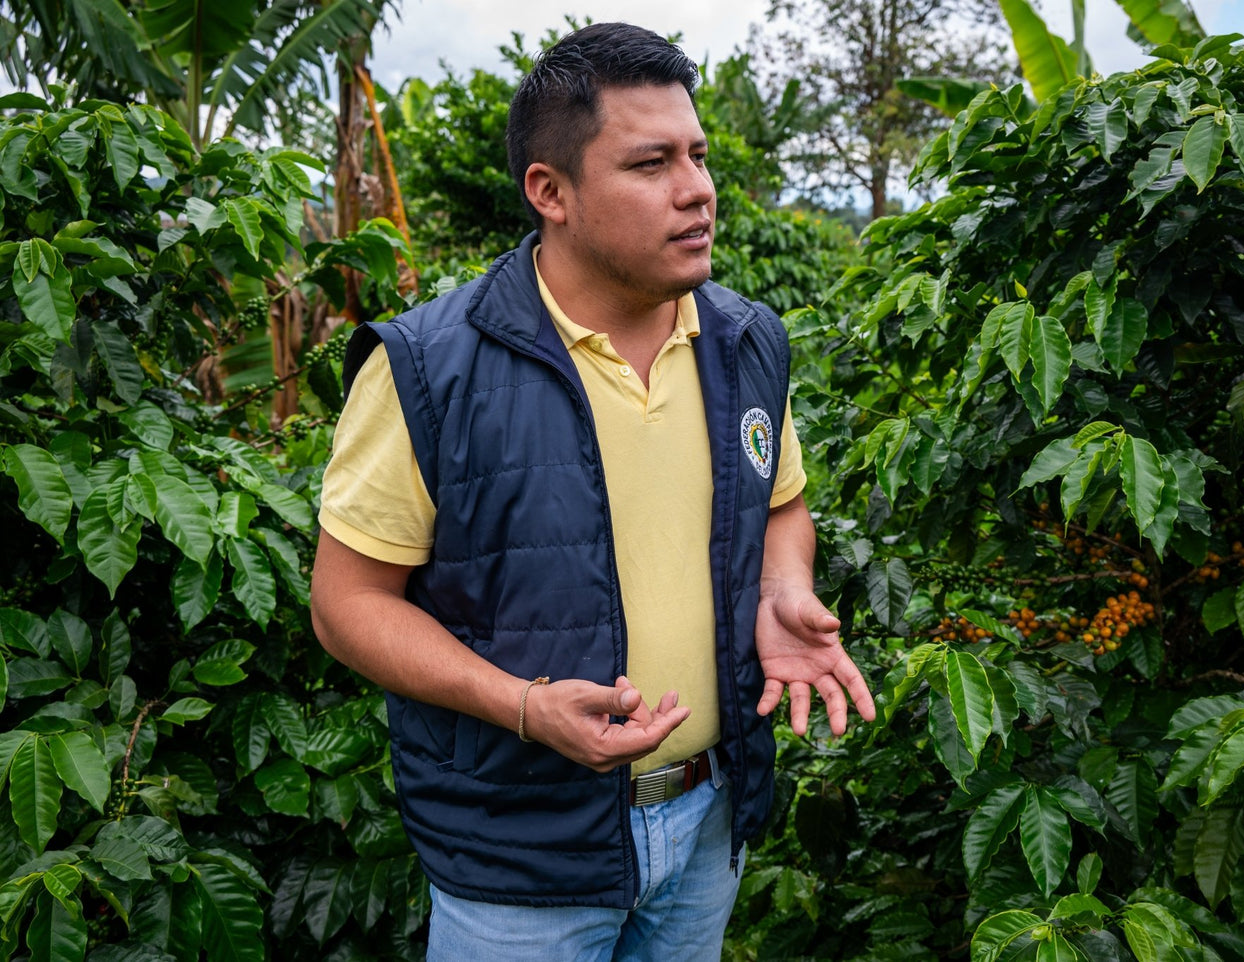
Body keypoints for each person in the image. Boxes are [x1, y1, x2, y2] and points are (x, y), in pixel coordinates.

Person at [309, 21, 876, 960]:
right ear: (551, 192)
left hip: (704, 825)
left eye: (696, 155)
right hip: (518, 861)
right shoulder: (427, 368)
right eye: (650, 163)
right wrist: (521, 705)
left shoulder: (744, 342)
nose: (696, 189)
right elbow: (346, 605)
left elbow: (778, 503)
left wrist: (783, 587)